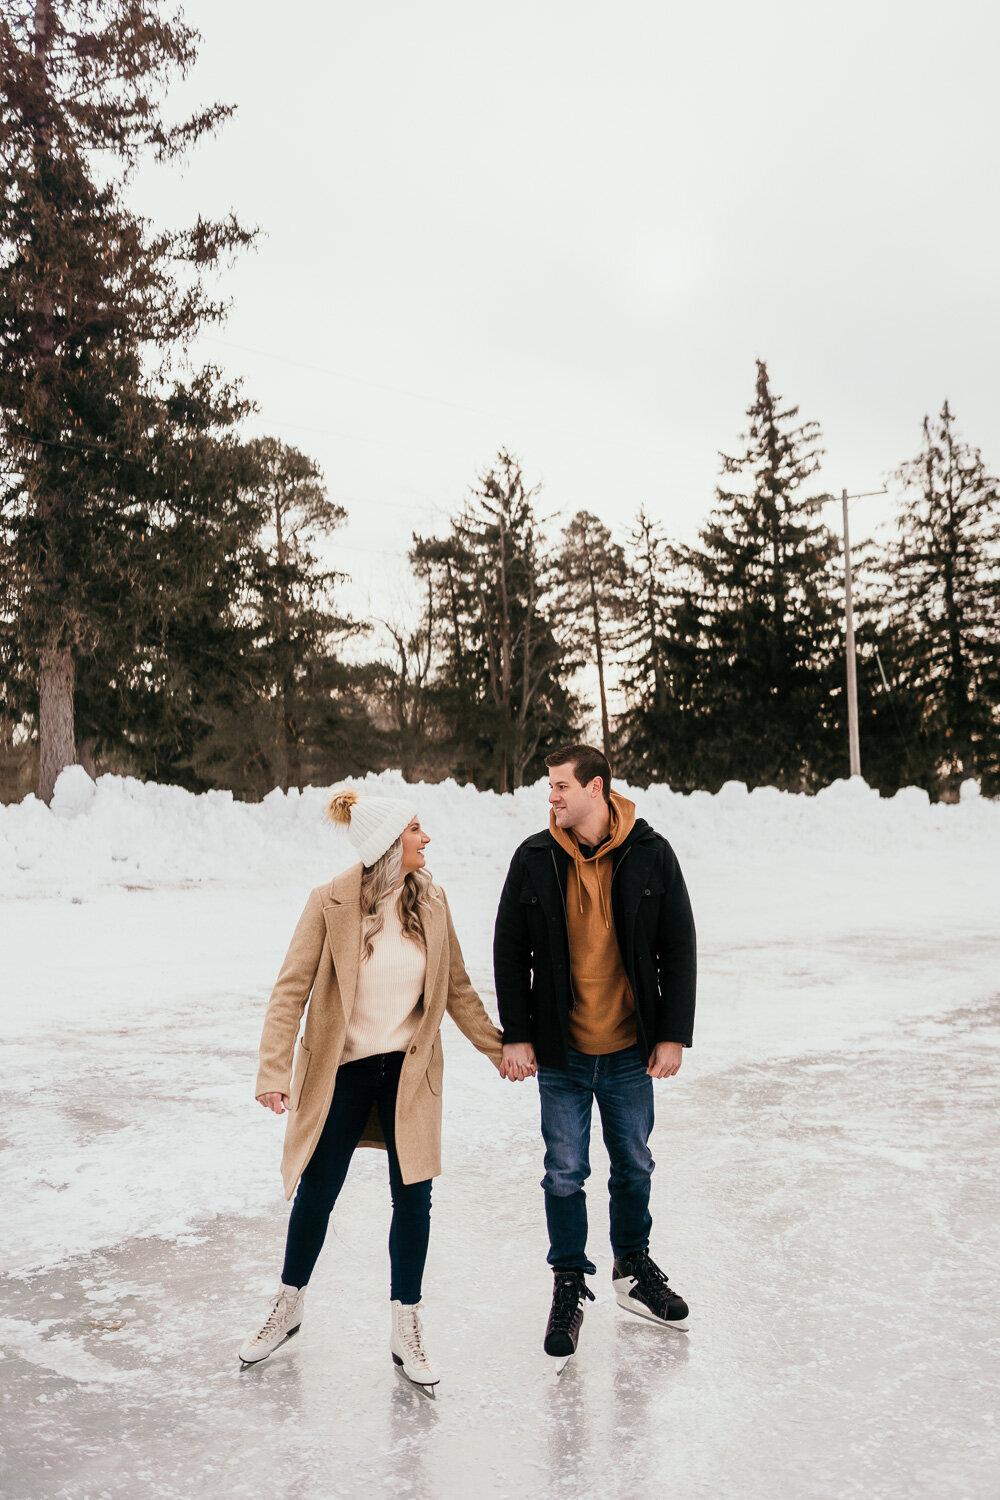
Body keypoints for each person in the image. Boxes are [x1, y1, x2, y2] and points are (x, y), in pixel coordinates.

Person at [240, 786, 503, 1387]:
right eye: (414, 829)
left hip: (408, 1072)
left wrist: (499, 1050)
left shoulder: (431, 902)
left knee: (414, 1197)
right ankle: (288, 1305)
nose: (426, 838)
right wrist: (273, 1072)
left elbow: (456, 987)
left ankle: (405, 1325)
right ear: (389, 844)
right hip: (343, 1070)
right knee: (318, 1189)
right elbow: (290, 991)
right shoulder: (329, 902)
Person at [494, 744, 696, 1358]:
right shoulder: (533, 857)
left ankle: (632, 1268)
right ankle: (569, 1280)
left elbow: (679, 946)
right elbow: (509, 950)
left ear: (596, 788)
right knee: (565, 1171)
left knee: (634, 1161)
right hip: (562, 1052)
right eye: (549, 787)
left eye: (559, 786)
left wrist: (672, 1033)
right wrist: (518, 1033)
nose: (550, 796)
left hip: (631, 1049)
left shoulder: (652, 853)